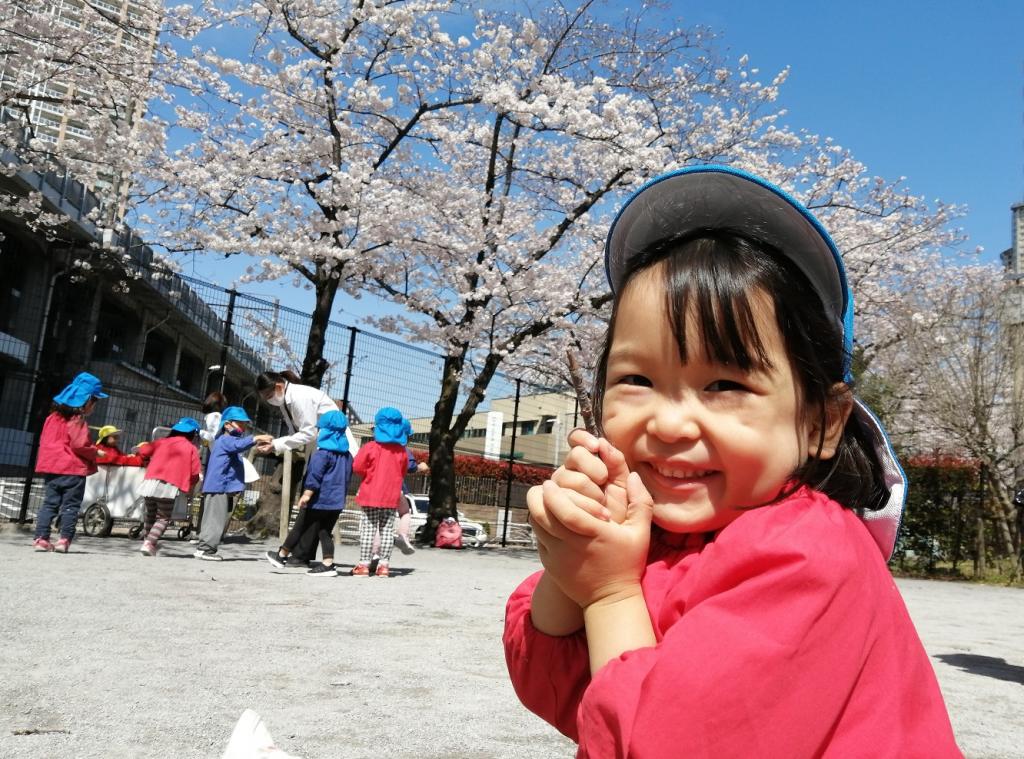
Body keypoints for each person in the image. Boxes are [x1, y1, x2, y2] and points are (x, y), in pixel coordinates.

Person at [502, 166, 961, 757]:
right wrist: (574, 568)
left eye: (724, 385)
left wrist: (610, 594)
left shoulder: (807, 555)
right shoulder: (662, 533)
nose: (669, 425)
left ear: (821, 422)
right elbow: (553, 686)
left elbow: (659, 744)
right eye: (637, 379)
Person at [252, 370, 353, 566]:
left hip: (326, 449)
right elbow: (298, 432)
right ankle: (304, 555)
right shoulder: (287, 400)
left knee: (311, 506)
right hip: (329, 451)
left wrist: (277, 444)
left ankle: (291, 554)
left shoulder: (300, 397)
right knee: (318, 515)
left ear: (279, 386)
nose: (268, 400)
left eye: (268, 395)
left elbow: (308, 433)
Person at [265, 410, 354, 576]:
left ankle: (281, 555)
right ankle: (328, 564)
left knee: (300, 526)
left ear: (326, 432)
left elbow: (315, 476)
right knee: (325, 532)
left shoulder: (322, 454)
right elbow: (347, 477)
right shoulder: (347, 456)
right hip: (336, 502)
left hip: (318, 500)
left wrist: (307, 494)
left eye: (320, 429)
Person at [32, 372, 108, 553]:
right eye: (95, 401)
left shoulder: (51, 418)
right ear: (87, 401)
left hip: (52, 468)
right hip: (73, 470)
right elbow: (79, 444)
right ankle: (64, 540)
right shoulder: (77, 420)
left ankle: (41, 539)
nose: (94, 407)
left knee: (49, 504)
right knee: (70, 506)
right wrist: (95, 452)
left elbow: (46, 442)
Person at [351, 407, 411, 577]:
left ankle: (364, 565)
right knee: (387, 531)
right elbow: (403, 471)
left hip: (370, 494)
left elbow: (357, 467)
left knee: (368, 530)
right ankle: (384, 566)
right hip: (391, 496)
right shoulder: (402, 452)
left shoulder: (370, 447)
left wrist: (368, 474)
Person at [195, 406, 255, 561]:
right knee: (215, 519)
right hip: (218, 486)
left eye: (245, 424)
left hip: (217, 486)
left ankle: (204, 548)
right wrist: (256, 439)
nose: (244, 427)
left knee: (212, 517)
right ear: (227, 425)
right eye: (240, 423)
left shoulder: (223, 440)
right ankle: (206, 549)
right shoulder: (226, 440)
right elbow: (239, 445)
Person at [135, 418, 202, 557]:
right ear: (193, 434)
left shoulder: (162, 442)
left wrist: (146, 460)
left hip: (149, 483)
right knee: (163, 517)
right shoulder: (191, 448)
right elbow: (195, 473)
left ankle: (148, 541)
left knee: (150, 513)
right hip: (168, 486)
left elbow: (144, 450)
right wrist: (190, 487)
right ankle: (149, 543)